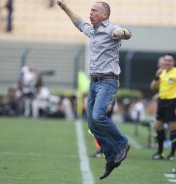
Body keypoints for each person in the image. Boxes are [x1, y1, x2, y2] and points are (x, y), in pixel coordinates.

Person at [56, 0, 131, 179]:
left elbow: (125, 34)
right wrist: (65, 7)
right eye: (91, 10)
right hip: (94, 83)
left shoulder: (111, 30)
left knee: (98, 117)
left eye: (95, 10)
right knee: (91, 124)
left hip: (107, 82)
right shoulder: (93, 31)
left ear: (104, 15)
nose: (91, 13)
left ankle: (122, 143)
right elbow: (79, 22)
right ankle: (111, 157)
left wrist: (124, 32)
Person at [151, 53, 176, 161]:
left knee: (172, 128)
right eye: (165, 60)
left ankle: (171, 154)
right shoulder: (161, 72)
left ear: (174, 62)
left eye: (169, 60)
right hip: (161, 102)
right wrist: (156, 76)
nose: (166, 62)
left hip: (172, 102)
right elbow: (153, 87)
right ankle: (160, 152)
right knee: (158, 127)